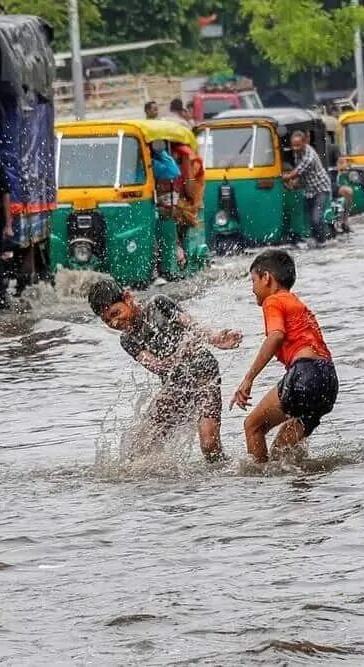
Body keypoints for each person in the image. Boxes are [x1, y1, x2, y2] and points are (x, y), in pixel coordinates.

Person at [87, 278, 242, 463]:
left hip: (204, 376)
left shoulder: (158, 305)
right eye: (107, 320)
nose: (114, 322)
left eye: (115, 313)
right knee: (139, 449)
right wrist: (180, 353)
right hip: (175, 386)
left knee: (209, 446)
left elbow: (193, 326)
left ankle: (228, 474)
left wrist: (216, 338)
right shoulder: (127, 340)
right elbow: (158, 366)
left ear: (128, 298)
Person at [230, 250, 338, 464]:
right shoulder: (296, 303)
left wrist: (248, 379)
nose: (252, 289)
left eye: (253, 280)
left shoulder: (274, 300)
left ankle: (259, 488)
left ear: (266, 278)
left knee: (253, 426)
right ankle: (301, 492)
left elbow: (276, 336)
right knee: (283, 456)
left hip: (305, 373)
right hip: (328, 380)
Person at [282, 130, 331, 246]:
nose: (295, 148)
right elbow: (301, 175)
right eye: (293, 145)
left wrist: (283, 177)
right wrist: (293, 183)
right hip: (309, 191)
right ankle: (315, 241)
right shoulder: (297, 153)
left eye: (298, 145)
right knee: (309, 220)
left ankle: (323, 242)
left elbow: (297, 171)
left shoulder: (309, 156)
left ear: (304, 143)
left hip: (320, 189)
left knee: (316, 218)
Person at [170, 141, 204, 268]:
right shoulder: (160, 159)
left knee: (176, 215)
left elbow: (191, 193)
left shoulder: (190, 159)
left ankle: (180, 253)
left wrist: (186, 165)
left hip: (186, 205)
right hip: (166, 203)